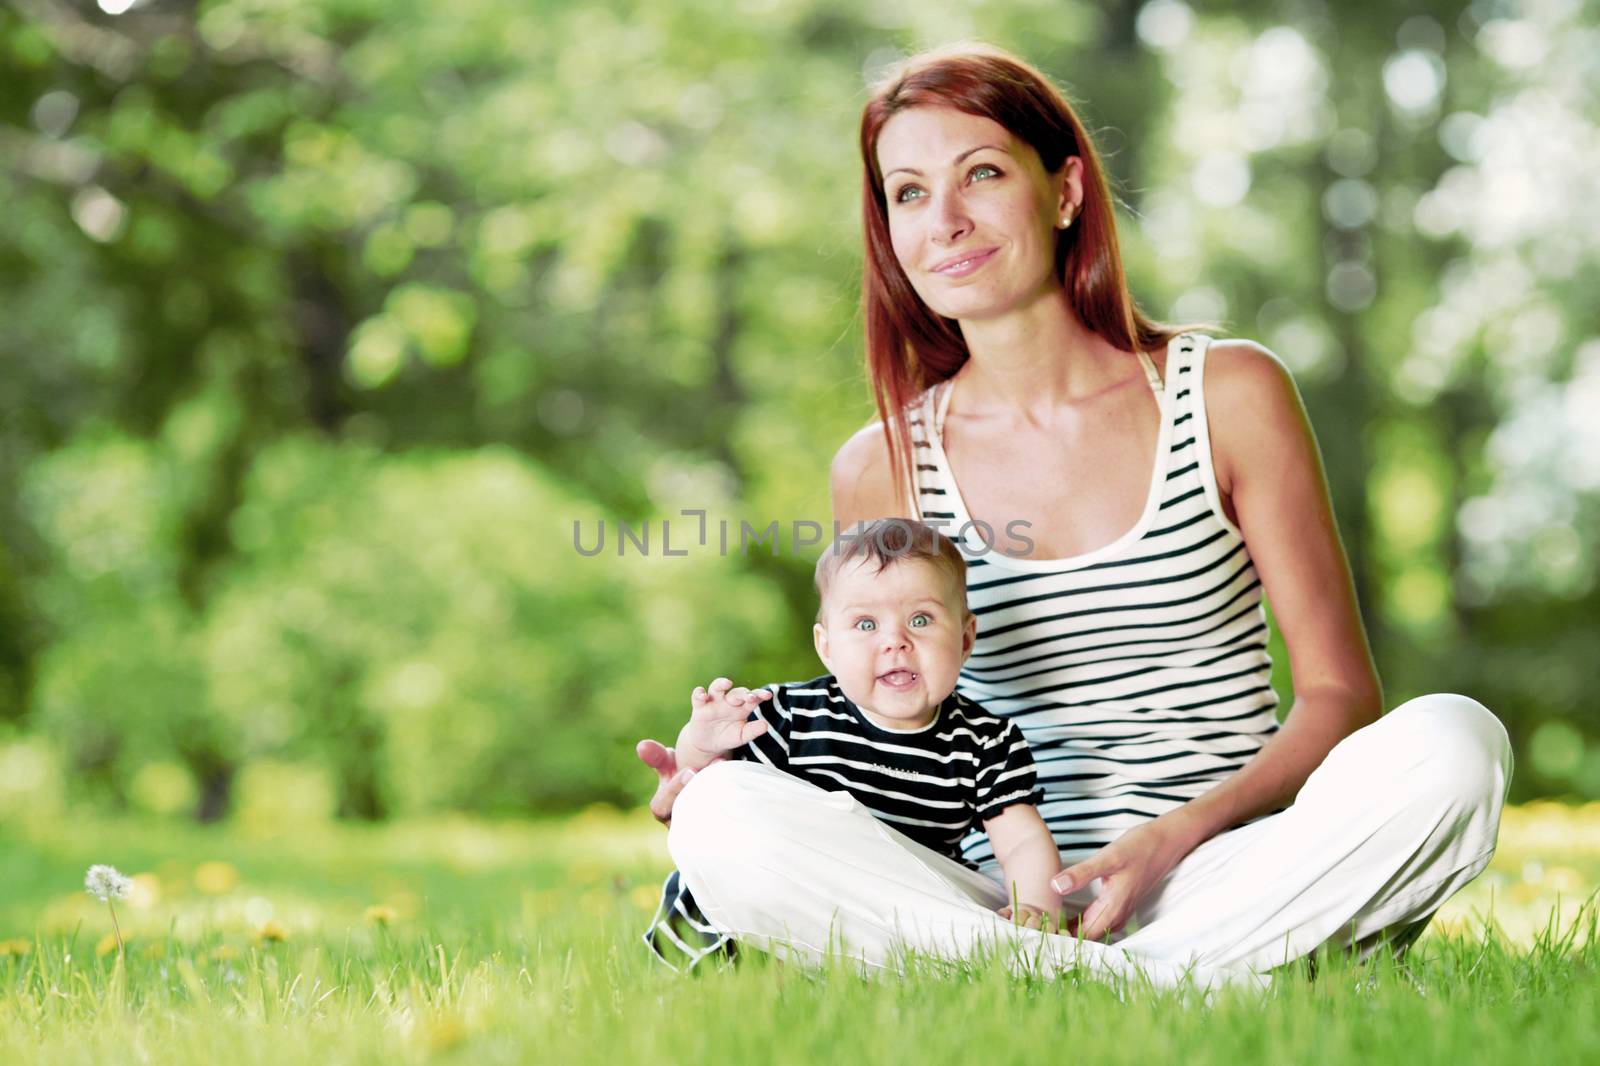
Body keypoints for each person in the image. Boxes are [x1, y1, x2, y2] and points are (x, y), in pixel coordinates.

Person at [637, 42, 1512, 984]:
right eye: (910, 193)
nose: (948, 221)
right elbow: (884, 729)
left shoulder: (1228, 392)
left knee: (1457, 743)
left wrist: (1172, 839)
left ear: (1065, 192)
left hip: (1232, 868)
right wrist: (731, 771)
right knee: (723, 816)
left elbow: (1340, 696)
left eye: (981, 174)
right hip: (1002, 903)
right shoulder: (880, 464)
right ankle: (1172, 985)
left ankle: (1107, 983)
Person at [646, 519, 1067, 971]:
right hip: (788, 885)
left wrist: (1037, 908)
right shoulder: (790, 714)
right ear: (827, 647)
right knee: (722, 822)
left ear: (965, 640)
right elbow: (722, 794)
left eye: (921, 620)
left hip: (899, 903)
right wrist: (700, 744)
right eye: (866, 623)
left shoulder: (985, 741)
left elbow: (1021, 841)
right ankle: (720, 969)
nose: (895, 642)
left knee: (951, 924)